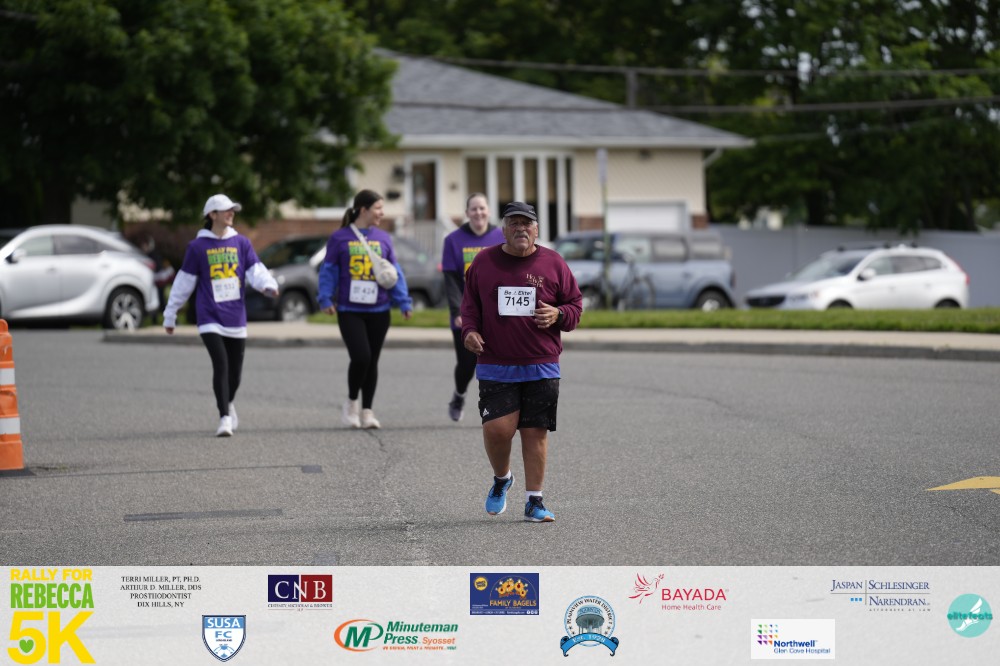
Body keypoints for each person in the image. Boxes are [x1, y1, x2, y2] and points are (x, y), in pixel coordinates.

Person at [460, 201, 582, 522]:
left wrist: (559, 314)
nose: (520, 229)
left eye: (526, 224)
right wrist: (469, 331)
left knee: (535, 432)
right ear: (503, 230)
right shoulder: (484, 262)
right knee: (498, 430)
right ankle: (502, 478)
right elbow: (469, 306)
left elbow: (575, 307)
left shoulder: (554, 263)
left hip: (542, 362)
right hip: (495, 361)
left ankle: (534, 501)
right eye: (513, 224)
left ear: (536, 230)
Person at [163, 194, 278, 437]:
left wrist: (268, 285)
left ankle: (228, 402)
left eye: (232, 209)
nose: (231, 213)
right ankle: (224, 417)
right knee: (221, 364)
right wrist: (170, 314)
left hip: (236, 317)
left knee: (235, 374)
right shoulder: (197, 247)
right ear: (212, 215)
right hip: (209, 317)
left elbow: (256, 270)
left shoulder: (241, 243)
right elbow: (184, 282)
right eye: (226, 210)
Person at [318, 189, 413, 429]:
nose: (382, 213)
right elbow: (328, 270)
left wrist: (403, 301)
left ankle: (367, 411)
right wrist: (325, 298)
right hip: (349, 310)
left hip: (379, 310)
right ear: (363, 210)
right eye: (378, 208)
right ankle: (352, 403)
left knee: (373, 361)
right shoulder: (339, 238)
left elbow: (394, 272)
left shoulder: (384, 238)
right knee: (362, 356)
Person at [441, 193, 505, 421]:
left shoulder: (501, 236)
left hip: (495, 313)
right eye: (474, 209)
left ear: (489, 210)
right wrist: (456, 311)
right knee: (467, 363)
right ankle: (459, 395)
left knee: (496, 362)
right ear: (467, 213)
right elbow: (450, 280)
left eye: (482, 208)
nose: (478, 213)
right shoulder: (453, 240)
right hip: (466, 312)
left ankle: (494, 407)